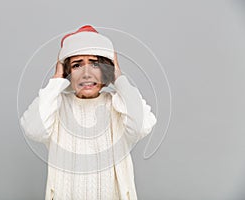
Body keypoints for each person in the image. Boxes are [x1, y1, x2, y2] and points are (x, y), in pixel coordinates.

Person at [20, 25, 157, 200]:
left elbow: (141, 126)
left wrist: (119, 77)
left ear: (106, 70)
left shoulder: (118, 105)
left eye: (95, 64)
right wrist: (56, 80)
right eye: (77, 65)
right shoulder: (57, 105)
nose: (86, 74)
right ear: (67, 73)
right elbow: (33, 129)